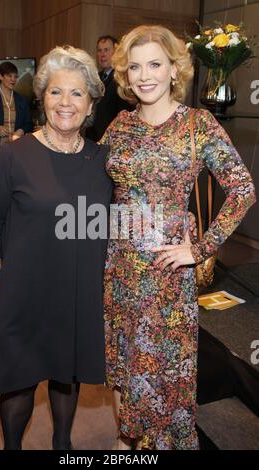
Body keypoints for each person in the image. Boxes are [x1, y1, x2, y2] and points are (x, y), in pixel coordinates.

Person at [101, 25, 256, 450]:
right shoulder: (120, 126)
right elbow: (92, 184)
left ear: (174, 69)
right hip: (117, 267)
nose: (143, 75)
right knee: (125, 358)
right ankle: (127, 441)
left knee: (164, 366)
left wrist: (200, 248)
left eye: (154, 64)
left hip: (166, 270)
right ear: (124, 74)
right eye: (134, 66)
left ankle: (160, 443)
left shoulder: (197, 124)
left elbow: (243, 190)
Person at [0, 46, 112, 450]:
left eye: (76, 94)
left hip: (75, 295)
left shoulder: (104, 161)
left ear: (90, 106)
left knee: (64, 375)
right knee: (18, 384)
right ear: (42, 99)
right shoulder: (14, 156)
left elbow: (123, 220)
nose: (65, 103)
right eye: (55, 92)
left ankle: (62, 446)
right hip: (21, 293)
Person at [86, 35, 133, 142]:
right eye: (99, 51)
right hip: (92, 140)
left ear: (116, 52)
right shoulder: (95, 77)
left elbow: (123, 116)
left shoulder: (122, 79)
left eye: (106, 50)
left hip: (112, 141)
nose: (102, 54)